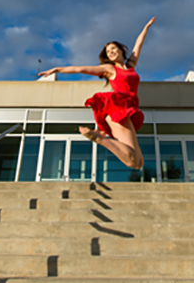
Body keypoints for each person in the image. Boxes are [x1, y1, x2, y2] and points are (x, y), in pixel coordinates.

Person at [38, 17, 156, 170]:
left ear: (121, 50)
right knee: (132, 161)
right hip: (117, 109)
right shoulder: (109, 69)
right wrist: (57, 69)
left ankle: (101, 138)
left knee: (138, 163)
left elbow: (138, 44)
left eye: (113, 48)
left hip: (128, 109)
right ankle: (100, 139)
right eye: (108, 51)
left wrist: (146, 27)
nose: (111, 52)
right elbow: (81, 69)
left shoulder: (130, 66)